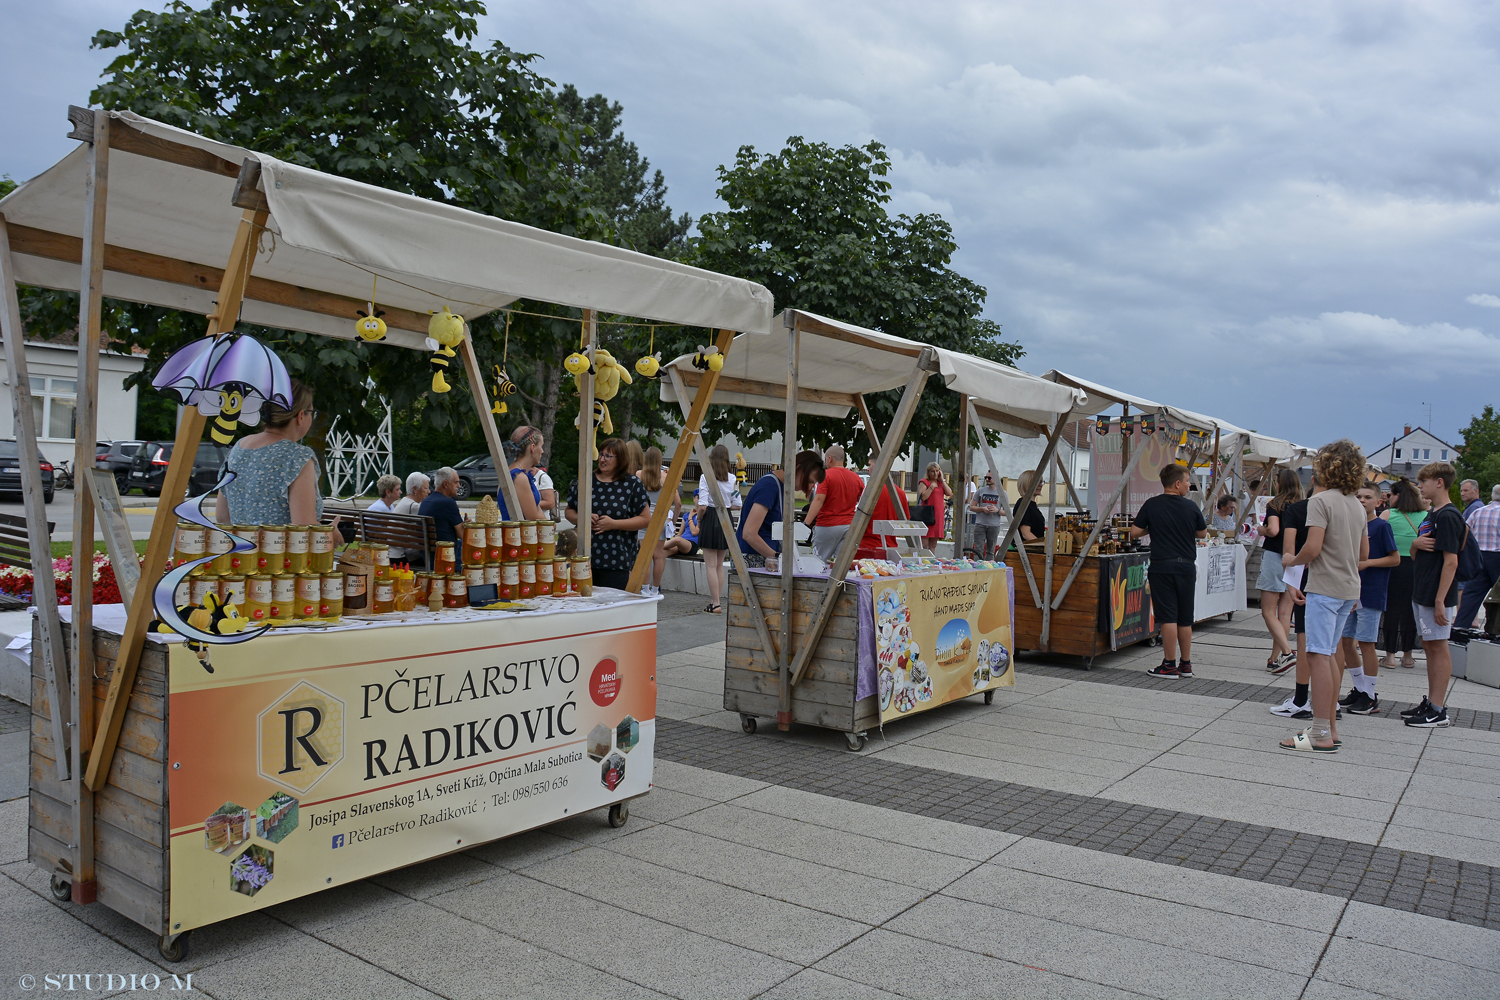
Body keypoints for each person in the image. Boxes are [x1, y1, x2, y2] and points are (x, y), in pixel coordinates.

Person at [1278, 441, 1368, 753]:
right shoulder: (1356, 504)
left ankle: (1319, 732)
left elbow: (1313, 547)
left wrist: (1292, 560)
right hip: (1348, 587)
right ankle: (1330, 727)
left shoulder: (1320, 501)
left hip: (1324, 587)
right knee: (1328, 654)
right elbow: (1363, 552)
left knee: (1316, 655)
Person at [1130, 463, 1207, 677]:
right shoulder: (1191, 507)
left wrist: (1153, 526)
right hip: (1186, 567)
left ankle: (1169, 664)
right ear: (1177, 483)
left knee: (1168, 617)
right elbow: (1202, 533)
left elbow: (1134, 532)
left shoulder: (1152, 505)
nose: (1189, 485)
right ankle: (1186, 664)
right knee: (1185, 617)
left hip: (1162, 566)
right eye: (1187, 481)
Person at [217, 381, 329, 527]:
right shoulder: (297, 456)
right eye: (311, 414)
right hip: (279, 549)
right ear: (300, 416)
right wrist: (330, 532)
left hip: (240, 547)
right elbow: (303, 525)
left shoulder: (239, 449)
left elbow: (222, 516)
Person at [1403, 462, 1465, 728]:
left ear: (1439, 482)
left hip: (1435, 593)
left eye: (1424, 482)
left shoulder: (1449, 516)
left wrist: (1441, 600)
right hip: (1423, 590)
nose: (1420, 487)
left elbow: (1451, 561)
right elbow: (1417, 552)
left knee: (1438, 647)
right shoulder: (1432, 514)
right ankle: (1432, 701)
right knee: (1429, 646)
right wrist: (1415, 544)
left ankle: (1438, 709)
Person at [1337, 482, 1400, 715]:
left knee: (1366, 643)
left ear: (1378, 501)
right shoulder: (1351, 525)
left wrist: (1369, 563)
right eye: (1358, 496)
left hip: (1371, 591)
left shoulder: (1381, 527)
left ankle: (1371, 694)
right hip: (1350, 590)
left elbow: (1394, 558)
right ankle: (1359, 688)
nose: (1362, 500)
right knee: (1346, 641)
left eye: (1367, 497)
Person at [563, 438, 650, 591]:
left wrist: (614, 524)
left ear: (620, 459)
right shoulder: (584, 481)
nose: (602, 459)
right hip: (584, 557)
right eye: (601, 455)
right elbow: (569, 511)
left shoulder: (632, 484)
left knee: (612, 605)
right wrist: (583, 519)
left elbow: (645, 519)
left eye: (608, 456)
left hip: (617, 559)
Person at [738, 451, 824, 570]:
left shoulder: (780, 487)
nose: (809, 487)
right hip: (753, 561)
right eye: (810, 481)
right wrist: (777, 557)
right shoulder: (769, 486)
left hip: (764, 559)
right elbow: (749, 533)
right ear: (798, 469)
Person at [1257, 470, 1303, 674]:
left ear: (1279, 483)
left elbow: (1274, 530)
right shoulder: (1303, 506)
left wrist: (1262, 530)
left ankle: (1286, 652)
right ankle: (1274, 659)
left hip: (1276, 556)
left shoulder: (1275, 504)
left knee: (1268, 611)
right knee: (1285, 613)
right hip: (1297, 560)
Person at [1381, 477, 1425, 668]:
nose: (1389, 498)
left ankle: (1390, 656)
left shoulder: (1388, 515)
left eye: (1391, 495)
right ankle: (1407, 656)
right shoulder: (1426, 516)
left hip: (1393, 567)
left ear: (1398, 496)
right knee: (1410, 612)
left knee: (1391, 610)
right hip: (1417, 568)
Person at [695, 444, 741, 614]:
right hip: (726, 518)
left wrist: (699, 521)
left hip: (711, 517)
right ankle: (718, 601)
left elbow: (703, 505)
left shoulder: (705, 477)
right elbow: (738, 504)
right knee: (720, 564)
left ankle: (715, 603)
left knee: (710, 565)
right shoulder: (733, 479)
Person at [803, 445, 863, 563]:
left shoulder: (826, 476)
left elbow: (819, 500)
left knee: (818, 562)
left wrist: (806, 523)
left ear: (830, 459)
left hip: (827, 526)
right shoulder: (856, 478)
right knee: (840, 564)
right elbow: (863, 501)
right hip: (849, 527)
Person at [637, 445, 681, 594]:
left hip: (644, 518)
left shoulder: (638, 475)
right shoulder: (666, 477)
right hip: (661, 519)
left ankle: (644, 589)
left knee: (645, 556)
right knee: (659, 556)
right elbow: (678, 503)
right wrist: (672, 521)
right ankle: (655, 589)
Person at [1456, 484, 1500, 629]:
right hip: (1497, 556)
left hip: (1479, 556)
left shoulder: (1479, 512)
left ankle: (1460, 628)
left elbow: (1465, 533)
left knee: (1471, 595)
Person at [497, 425, 545, 521]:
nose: (542, 451)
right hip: (518, 534)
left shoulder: (511, 471)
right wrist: (551, 525)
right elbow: (533, 517)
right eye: (541, 446)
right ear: (533, 448)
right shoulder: (519, 477)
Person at [419, 467, 466, 544]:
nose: (459, 486)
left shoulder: (425, 501)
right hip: (446, 552)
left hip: (427, 552)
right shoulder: (448, 503)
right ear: (446, 484)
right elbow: (462, 535)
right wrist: (467, 527)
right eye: (456, 482)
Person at [969, 472, 1008, 558]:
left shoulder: (1002, 493)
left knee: (990, 551)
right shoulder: (980, 491)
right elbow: (971, 507)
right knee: (978, 550)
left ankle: (988, 569)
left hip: (994, 526)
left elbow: (1007, 513)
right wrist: (982, 509)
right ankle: (977, 569)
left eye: (989, 478)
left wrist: (997, 510)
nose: (987, 479)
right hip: (980, 524)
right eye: (986, 477)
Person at [917, 463, 949, 553]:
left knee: (933, 544)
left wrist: (942, 480)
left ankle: (930, 562)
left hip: (938, 515)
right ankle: (920, 562)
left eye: (937, 471)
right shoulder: (924, 482)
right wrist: (931, 487)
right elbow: (923, 497)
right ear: (928, 472)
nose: (935, 473)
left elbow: (949, 493)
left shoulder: (940, 483)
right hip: (927, 515)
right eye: (932, 471)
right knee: (924, 543)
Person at [1013, 469, 1047, 545]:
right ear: (1027, 484)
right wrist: (1043, 546)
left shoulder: (1032, 504)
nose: (1040, 485)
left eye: (1041, 482)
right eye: (1037, 482)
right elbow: (1026, 534)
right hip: (1025, 550)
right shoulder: (1023, 504)